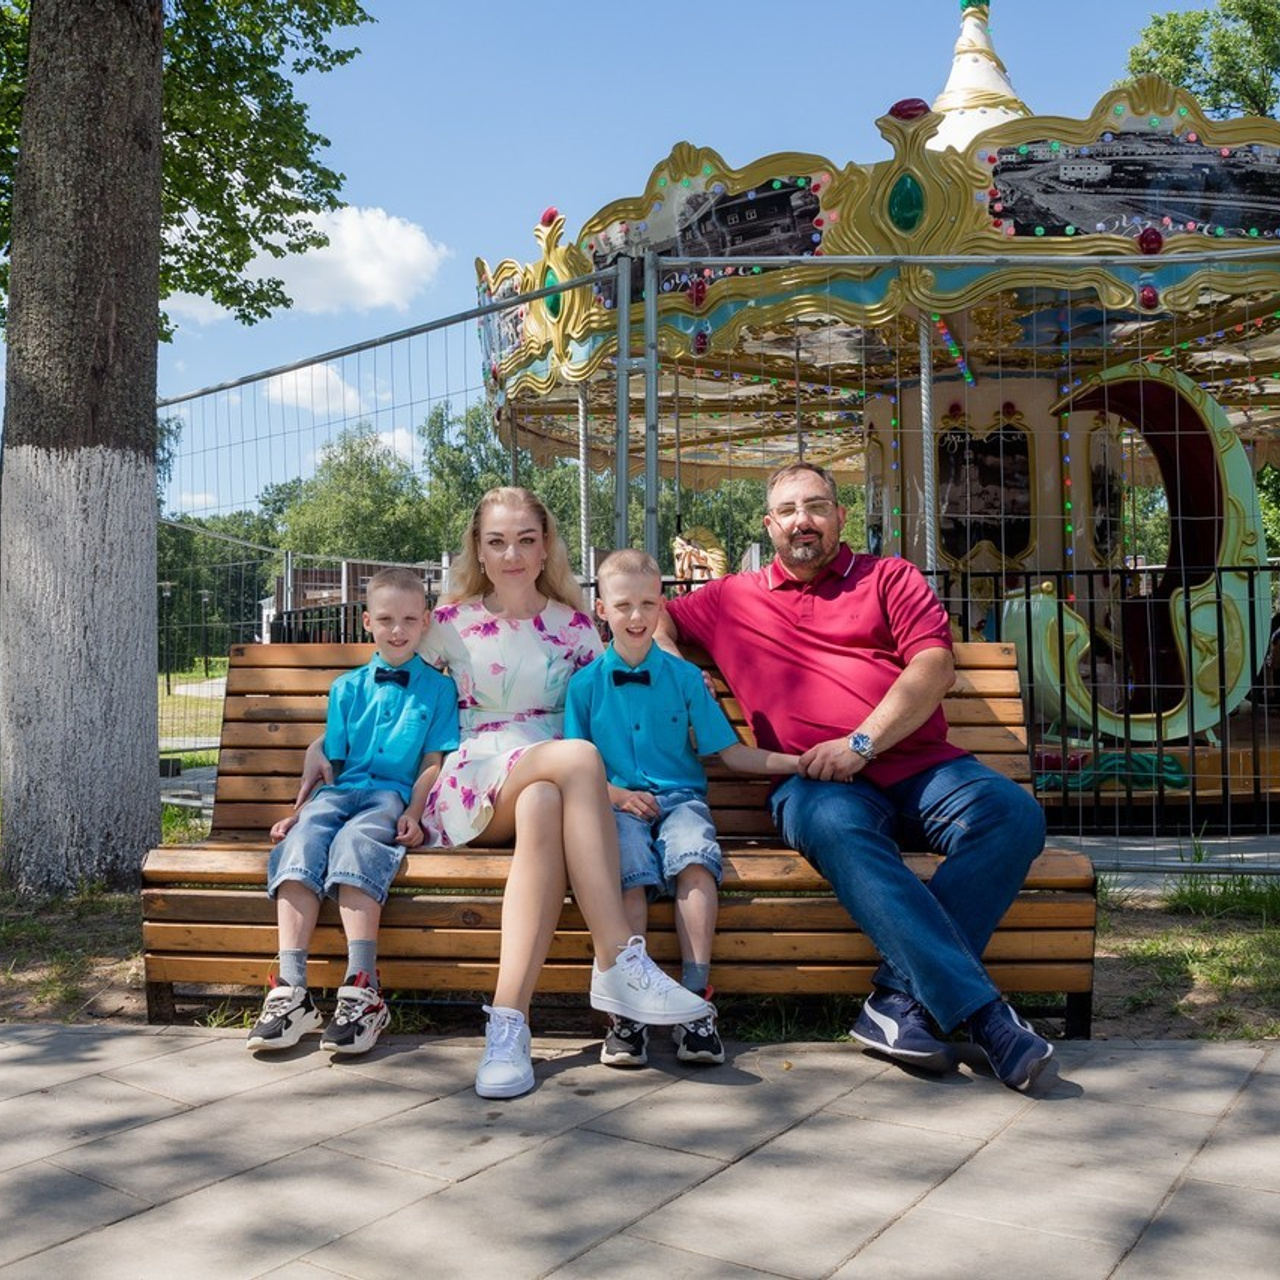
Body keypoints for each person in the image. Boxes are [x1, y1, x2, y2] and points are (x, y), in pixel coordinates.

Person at [298, 488, 711, 1099]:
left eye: (525, 539)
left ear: (545, 548)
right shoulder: (450, 624)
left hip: (552, 784)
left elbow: (626, 664)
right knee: (577, 758)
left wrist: (678, 663)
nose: (512, 553)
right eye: (497, 541)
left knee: (550, 793)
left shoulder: (573, 626)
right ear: (479, 551)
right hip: (474, 777)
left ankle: (508, 1026)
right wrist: (319, 746)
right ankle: (619, 962)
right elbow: (384, 678)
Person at [657, 462, 1056, 1092]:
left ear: (841, 517)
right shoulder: (733, 597)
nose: (802, 522)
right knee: (836, 826)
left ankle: (898, 1002)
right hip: (812, 781)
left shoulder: (889, 577)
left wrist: (863, 743)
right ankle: (985, 1018)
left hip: (920, 766)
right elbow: (657, 615)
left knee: (1014, 815)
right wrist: (679, 671)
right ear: (769, 525)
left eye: (816, 506)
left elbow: (933, 666)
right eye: (787, 511)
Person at [565, 549, 801, 1069]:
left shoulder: (687, 679)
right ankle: (628, 1009)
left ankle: (695, 999)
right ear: (600, 609)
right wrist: (615, 797)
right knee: (627, 872)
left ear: (661, 604)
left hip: (681, 799)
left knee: (695, 858)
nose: (636, 616)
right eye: (623, 605)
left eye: (647, 603)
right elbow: (574, 765)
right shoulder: (582, 686)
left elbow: (731, 752)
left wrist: (801, 762)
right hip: (616, 804)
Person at [248, 567, 459, 1057]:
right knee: (300, 843)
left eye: (409, 619)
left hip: (388, 796)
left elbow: (432, 762)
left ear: (426, 622)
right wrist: (298, 809)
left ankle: (363, 988)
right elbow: (329, 765)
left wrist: (414, 810)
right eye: (385, 619)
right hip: (340, 792)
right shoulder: (347, 688)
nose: (397, 629)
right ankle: (291, 990)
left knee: (355, 843)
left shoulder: (439, 690)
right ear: (366, 622)